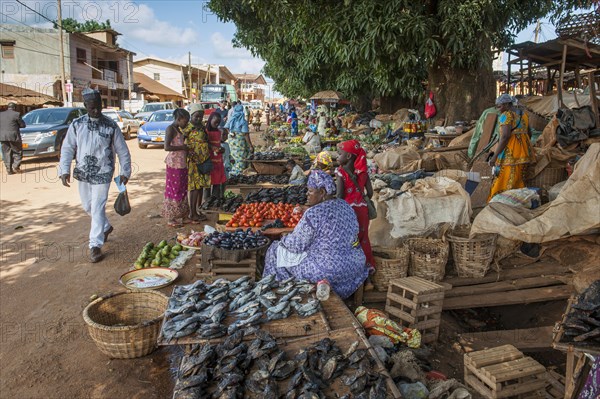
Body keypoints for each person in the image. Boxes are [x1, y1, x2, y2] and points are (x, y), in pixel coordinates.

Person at [263, 170, 369, 299]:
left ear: (322, 192)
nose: (307, 194)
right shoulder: (345, 205)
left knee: (274, 250)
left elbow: (296, 245)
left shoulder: (313, 213)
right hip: (355, 264)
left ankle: (285, 294)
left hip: (328, 270)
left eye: (310, 191)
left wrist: (284, 238)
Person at [59, 89, 131, 263]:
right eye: (92, 108)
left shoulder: (111, 125)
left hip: (103, 171)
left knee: (98, 206)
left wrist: (125, 172)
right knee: (88, 206)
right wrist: (64, 170)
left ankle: (95, 245)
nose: (96, 111)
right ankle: (105, 227)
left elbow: (123, 151)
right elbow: (68, 148)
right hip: (83, 172)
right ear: (85, 107)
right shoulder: (77, 125)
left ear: (102, 105)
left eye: (98, 107)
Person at [336, 140, 376, 289]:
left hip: (348, 213)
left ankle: (352, 277)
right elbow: (370, 193)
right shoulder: (363, 171)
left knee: (349, 243)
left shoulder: (341, 172)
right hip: (363, 211)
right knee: (363, 240)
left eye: (340, 154)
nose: (337, 157)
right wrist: (360, 199)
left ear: (348, 156)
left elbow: (339, 195)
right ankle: (368, 280)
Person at [488, 94, 534, 202]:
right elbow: (529, 133)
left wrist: (494, 156)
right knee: (519, 182)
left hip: (510, 154)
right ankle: (519, 203)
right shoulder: (524, 115)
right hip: (524, 153)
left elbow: (505, 136)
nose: (498, 110)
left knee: (503, 181)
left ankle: (500, 204)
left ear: (507, 104)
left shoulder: (506, 115)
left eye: (499, 106)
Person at [163, 108, 191, 228]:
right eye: (185, 121)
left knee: (182, 189)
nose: (186, 124)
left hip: (181, 163)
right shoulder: (170, 129)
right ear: (179, 119)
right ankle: (171, 218)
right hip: (175, 164)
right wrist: (182, 147)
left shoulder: (178, 129)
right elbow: (166, 147)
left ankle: (183, 216)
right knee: (175, 190)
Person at [185, 104, 210, 222]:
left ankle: (198, 210)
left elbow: (206, 140)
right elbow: (183, 143)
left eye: (201, 116)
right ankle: (192, 213)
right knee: (194, 187)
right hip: (194, 161)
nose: (199, 119)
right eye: (196, 116)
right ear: (191, 115)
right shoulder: (187, 127)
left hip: (203, 160)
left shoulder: (202, 127)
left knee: (200, 187)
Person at [224, 103, 252, 175]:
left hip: (232, 140)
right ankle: (239, 174)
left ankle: (232, 173)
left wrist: (230, 133)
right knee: (241, 158)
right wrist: (250, 145)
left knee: (233, 156)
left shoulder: (231, 118)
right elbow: (245, 134)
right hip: (240, 142)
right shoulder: (243, 121)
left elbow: (226, 127)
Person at [0, 102, 26, 174]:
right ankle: (15, 167)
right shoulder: (16, 114)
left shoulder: (1, 114)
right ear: (14, 108)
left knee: (6, 153)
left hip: (3, 137)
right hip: (14, 136)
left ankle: (9, 169)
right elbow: (23, 125)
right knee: (17, 151)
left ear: (7, 107)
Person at [206, 112, 226, 199]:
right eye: (215, 122)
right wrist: (212, 147)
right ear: (210, 119)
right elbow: (204, 144)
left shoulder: (218, 131)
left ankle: (215, 200)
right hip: (208, 160)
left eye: (218, 123)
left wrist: (221, 149)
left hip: (218, 160)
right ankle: (206, 201)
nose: (217, 124)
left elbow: (219, 144)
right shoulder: (205, 131)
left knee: (217, 181)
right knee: (208, 182)